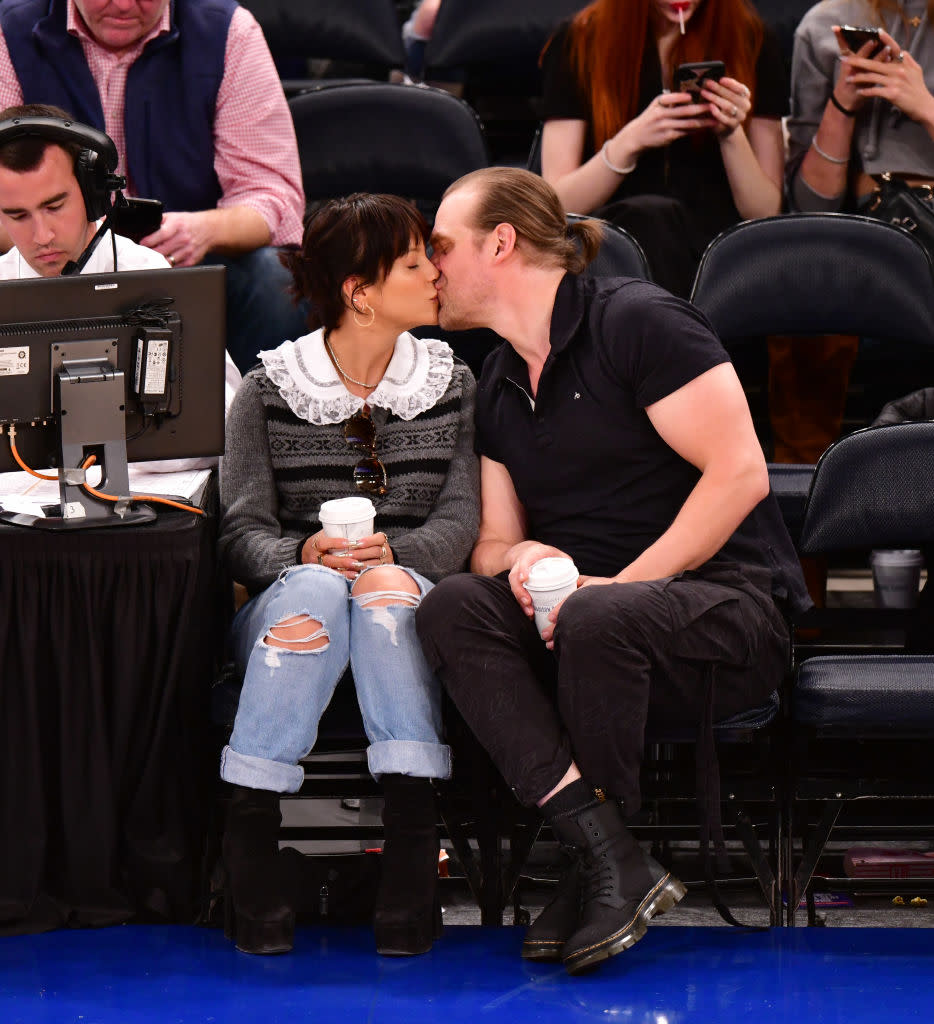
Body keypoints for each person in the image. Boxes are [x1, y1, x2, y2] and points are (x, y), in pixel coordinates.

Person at [415, 168, 810, 975]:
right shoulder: (494, 380)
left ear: (501, 243)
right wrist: (523, 558)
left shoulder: (637, 320)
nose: (431, 267)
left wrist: (617, 588)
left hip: (722, 607)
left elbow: (740, 475)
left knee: (598, 619)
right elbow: (492, 542)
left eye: (442, 247)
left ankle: (598, 865)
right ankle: (606, 855)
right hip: (589, 621)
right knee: (455, 604)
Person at [217, 193, 479, 957]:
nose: (435, 274)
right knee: (321, 590)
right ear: (358, 292)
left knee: (385, 596)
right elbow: (240, 528)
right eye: (412, 264)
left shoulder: (451, 381)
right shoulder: (267, 388)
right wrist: (297, 556)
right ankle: (251, 838)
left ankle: (409, 853)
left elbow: (459, 523)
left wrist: (396, 555)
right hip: (291, 601)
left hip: (404, 589)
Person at [0, 0, 307, 373]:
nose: (125, 4)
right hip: (44, 257)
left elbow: (274, 195)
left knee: (276, 281)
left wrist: (204, 230)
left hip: (191, 262)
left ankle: (258, 420)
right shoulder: (7, 33)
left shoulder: (230, 32)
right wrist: (44, 229)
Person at [0, 104, 241, 445]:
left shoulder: (152, 277)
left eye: (54, 206)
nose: (42, 236)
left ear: (93, 193)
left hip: (146, 492)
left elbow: (229, 425)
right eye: (17, 215)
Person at [775, 0, 934, 464]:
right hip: (866, 223)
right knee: (801, 276)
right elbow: (809, 205)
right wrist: (843, 106)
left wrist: (923, 105)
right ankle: (810, 491)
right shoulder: (822, 25)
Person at [538, 0, 787, 297]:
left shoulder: (752, 38)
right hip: (618, 254)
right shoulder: (579, 40)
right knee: (650, 218)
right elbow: (558, 204)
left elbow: (764, 211)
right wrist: (629, 143)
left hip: (715, 258)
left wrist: (731, 133)